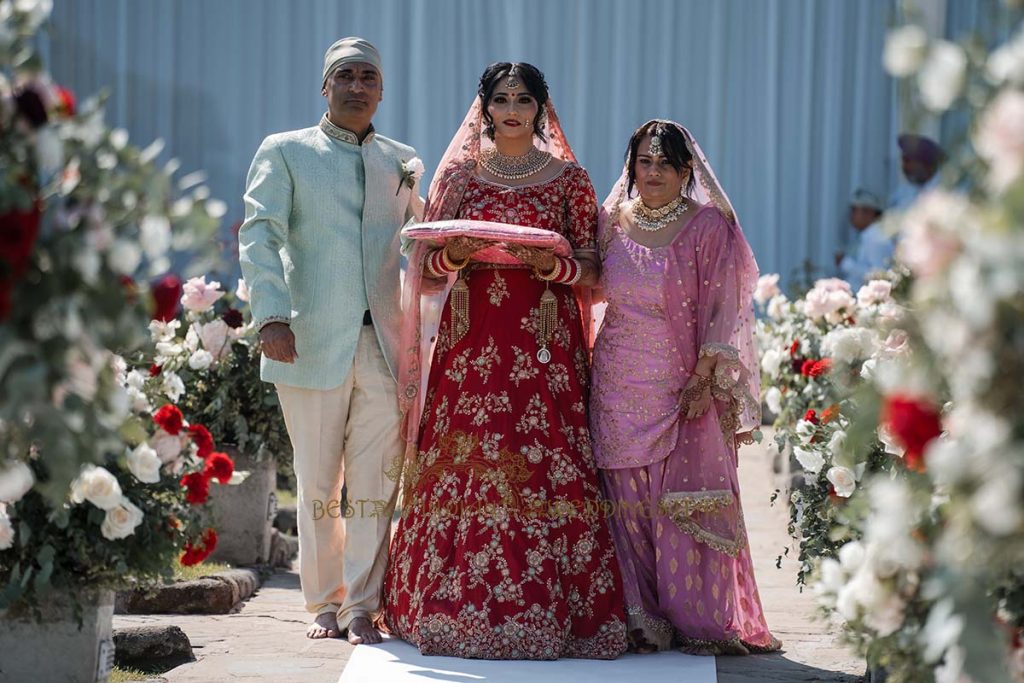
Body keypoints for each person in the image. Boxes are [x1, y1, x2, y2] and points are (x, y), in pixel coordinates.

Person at [383, 62, 627, 660]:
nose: (511, 108)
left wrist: (555, 267)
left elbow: (594, 268)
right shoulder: (462, 176)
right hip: (472, 343)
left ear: (542, 107)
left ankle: (553, 611)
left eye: (523, 98)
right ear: (485, 107)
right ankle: (444, 604)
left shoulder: (570, 179)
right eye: (501, 98)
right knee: (467, 457)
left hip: (543, 342)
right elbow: (428, 267)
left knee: (541, 455)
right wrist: (455, 255)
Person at [238, 37, 422, 643]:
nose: (358, 86)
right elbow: (258, 233)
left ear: (381, 88)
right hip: (308, 338)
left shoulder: (401, 160)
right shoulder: (286, 151)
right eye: (346, 75)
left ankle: (361, 606)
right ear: (325, 86)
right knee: (319, 481)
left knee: (375, 482)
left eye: (369, 76)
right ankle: (323, 599)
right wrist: (270, 316)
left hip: (385, 344)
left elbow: (421, 243)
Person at [591, 120, 781, 656]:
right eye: (644, 163)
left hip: (681, 384)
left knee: (680, 500)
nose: (652, 173)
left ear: (685, 171)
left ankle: (697, 617)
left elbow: (724, 307)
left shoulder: (707, 227)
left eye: (665, 164)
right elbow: (588, 284)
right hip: (615, 380)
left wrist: (703, 378)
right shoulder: (611, 222)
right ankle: (642, 613)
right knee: (626, 497)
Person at [837, 188, 891, 285]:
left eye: (854, 210)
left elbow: (879, 275)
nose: (851, 215)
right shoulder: (868, 235)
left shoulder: (876, 237)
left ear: (868, 213)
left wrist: (845, 263)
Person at [888, 133, 942, 210]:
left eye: (908, 161)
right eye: (903, 161)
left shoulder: (946, 192)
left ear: (926, 164)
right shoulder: (901, 192)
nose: (904, 167)